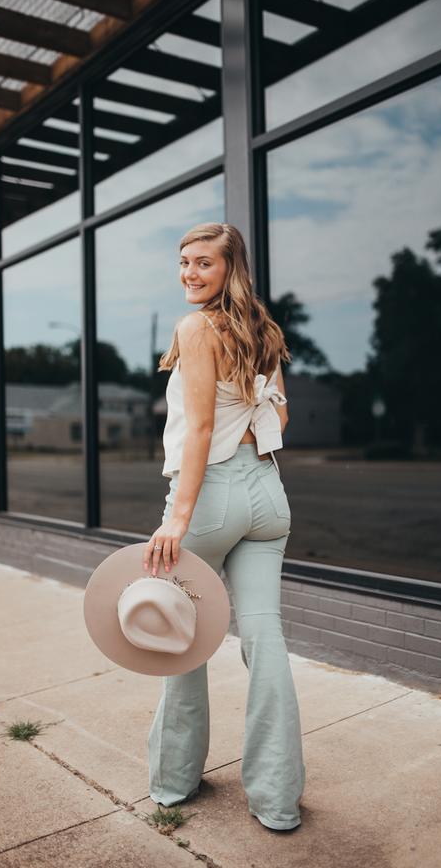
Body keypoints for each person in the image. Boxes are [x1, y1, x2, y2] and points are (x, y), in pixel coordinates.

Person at [142, 222, 305, 831]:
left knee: (182, 636)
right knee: (265, 640)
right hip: (268, 495)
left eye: (203, 263)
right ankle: (278, 800)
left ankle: (175, 779)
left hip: (209, 495)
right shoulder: (263, 330)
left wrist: (178, 520)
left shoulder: (195, 327)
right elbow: (280, 414)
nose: (189, 273)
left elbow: (202, 431)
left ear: (230, 269)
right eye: (184, 262)